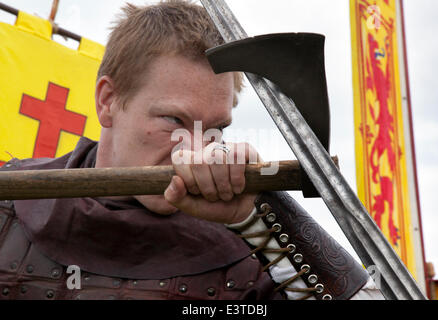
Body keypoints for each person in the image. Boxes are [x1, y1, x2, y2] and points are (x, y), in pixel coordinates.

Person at [0, 0, 383, 300]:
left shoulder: (257, 250)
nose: (195, 151)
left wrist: (264, 212)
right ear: (107, 101)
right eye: (174, 121)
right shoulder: (9, 203)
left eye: (216, 128)